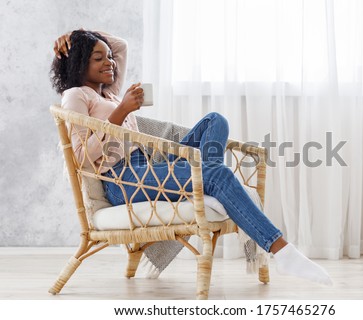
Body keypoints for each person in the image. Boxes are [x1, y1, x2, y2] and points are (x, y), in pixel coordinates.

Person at [50, 29, 332, 286]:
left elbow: (120, 45)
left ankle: (209, 188)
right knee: (216, 174)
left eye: (108, 57)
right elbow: (81, 156)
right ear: (78, 63)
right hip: (121, 181)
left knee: (215, 121)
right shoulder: (76, 95)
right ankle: (281, 250)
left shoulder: (109, 92)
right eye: (98, 58)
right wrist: (121, 111)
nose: (110, 62)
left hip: (147, 168)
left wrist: (75, 36)